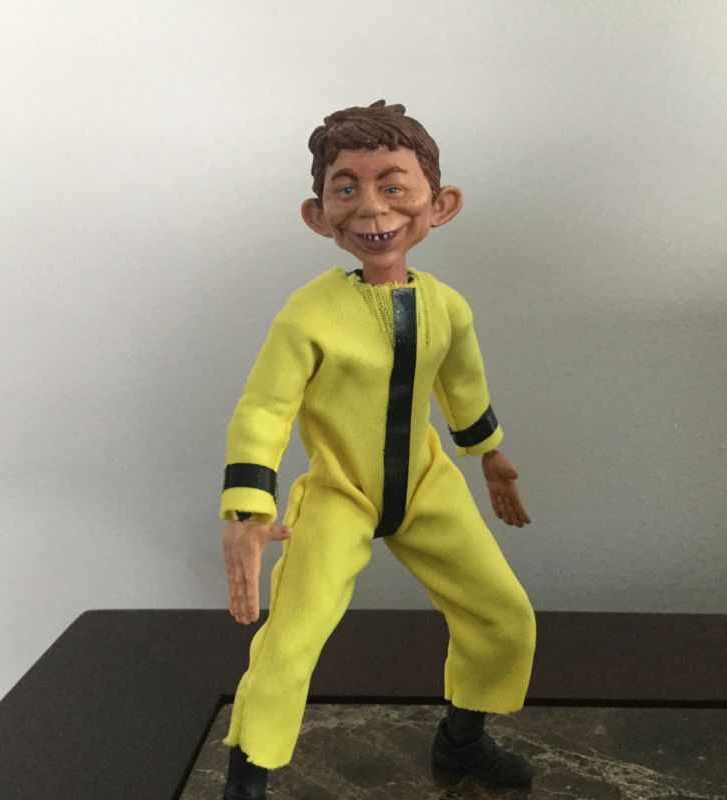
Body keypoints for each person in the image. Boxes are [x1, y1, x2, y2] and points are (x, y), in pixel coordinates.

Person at [219, 100, 536, 800]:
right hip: (341, 493)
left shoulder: (446, 306)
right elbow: (265, 408)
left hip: (426, 486)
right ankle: (246, 780)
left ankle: (463, 739)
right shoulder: (308, 314)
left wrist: (490, 455)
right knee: (290, 639)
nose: (371, 209)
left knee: (501, 611)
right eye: (346, 188)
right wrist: (246, 510)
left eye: (393, 186)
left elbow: (462, 385)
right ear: (317, 214)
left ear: (440, 204)